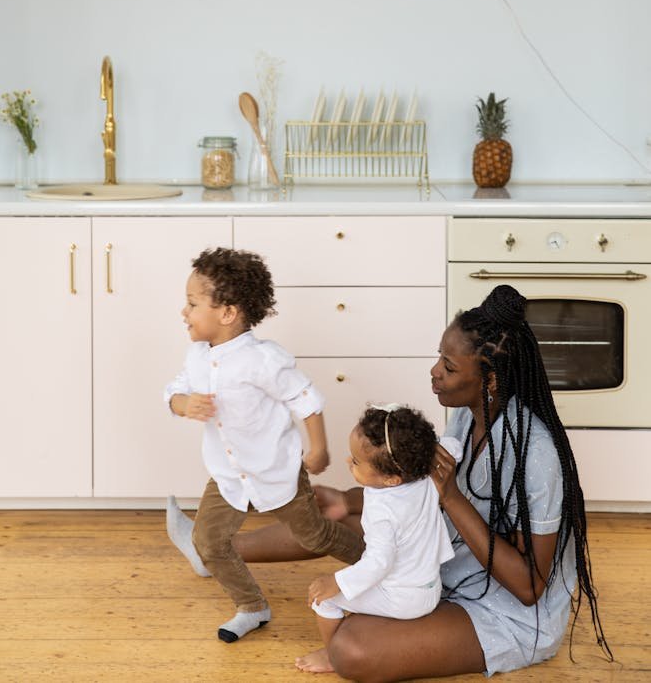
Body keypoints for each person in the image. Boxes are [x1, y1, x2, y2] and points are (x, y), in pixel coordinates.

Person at [233, 284, 613, 681]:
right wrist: (350, 500)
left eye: (449, 367)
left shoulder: (534, 455)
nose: (434, 372)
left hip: (506, 612)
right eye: (439, 357)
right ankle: (220, 550)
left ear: (491, 381)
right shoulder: (469, 415)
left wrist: (451, 498)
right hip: (445, 566)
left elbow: (530, 586)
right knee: (337, 519)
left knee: (351, 649)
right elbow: (412, 488)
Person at [163, 246, 364, 644]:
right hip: (228, 475)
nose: (183, 312)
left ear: (227, 313)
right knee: (208, 543)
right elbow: (174, 391)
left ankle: (379, 564)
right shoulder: (196, 357)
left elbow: (306, 399)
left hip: (277, 471)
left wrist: (318, 449)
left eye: (191, 303)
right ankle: (252, 607)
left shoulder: (263, 360)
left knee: (315, 537)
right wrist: (183, 403)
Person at [298, 405, 463, 674]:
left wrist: (335, 582)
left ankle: (332, 656)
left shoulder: (381, 511)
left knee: (323, 599)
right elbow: (453, 446)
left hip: (402, 599)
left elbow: (379, 563)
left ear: (390, 479)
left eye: (355, 462)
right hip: (432, 588)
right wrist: (419, 447)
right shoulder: (425, 474)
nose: (347, 462)